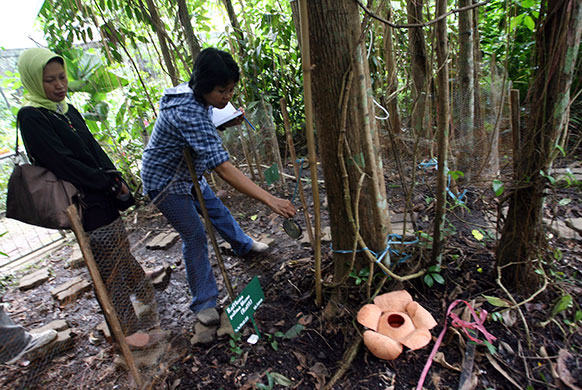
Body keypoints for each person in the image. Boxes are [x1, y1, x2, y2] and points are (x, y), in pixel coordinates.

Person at [141, 47, 296, 322]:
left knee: (217, 210)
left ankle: (243, 245)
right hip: (165, 182)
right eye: (222, 92)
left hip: (189, 173)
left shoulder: (194, 96)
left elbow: (200, 129)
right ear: (203, 85)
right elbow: (223, 169)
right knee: (195, 235)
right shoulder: (187, 110)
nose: (228, 97)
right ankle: (203, 304)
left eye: (231, 90)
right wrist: (270, 200)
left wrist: (223, 120)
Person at [16, 48, 156, 346]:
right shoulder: (32, 116)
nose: (59, 85)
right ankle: (126, 332)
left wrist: (115, 178)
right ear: (32, 81)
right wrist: (103, 182)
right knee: (107, 268)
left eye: (62, 77)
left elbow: (92, 147)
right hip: (83, 203)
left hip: (102, 194)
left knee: (119, 252)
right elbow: (61, 161)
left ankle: (143, 298)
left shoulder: (66, 110)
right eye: (49, 80)